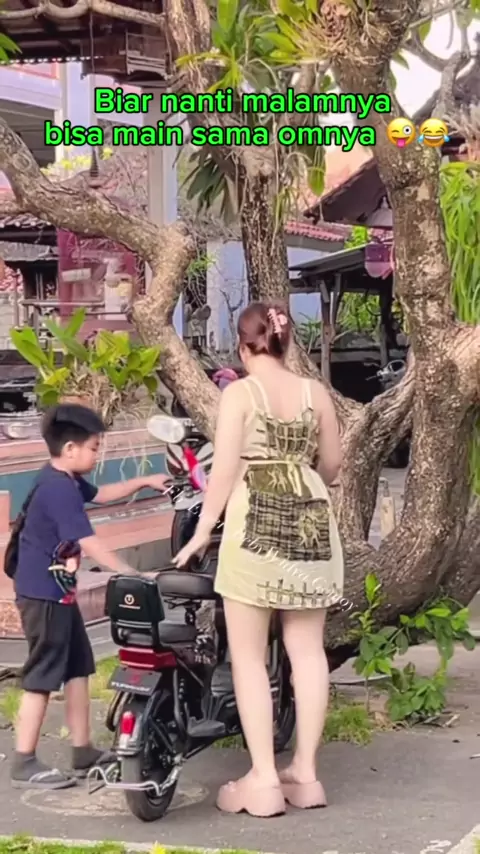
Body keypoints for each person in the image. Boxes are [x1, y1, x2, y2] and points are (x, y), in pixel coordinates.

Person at [173, 301, 344, 818]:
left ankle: (264, 778)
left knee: (247, 656)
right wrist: (302, 472)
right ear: (285, 343)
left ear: (245, 346)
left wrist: (203, 530)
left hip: (256, 527)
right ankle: (306, 773)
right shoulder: (316, 393)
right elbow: (333, 465)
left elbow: (224, 470)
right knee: (307, 650)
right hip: (312, 522)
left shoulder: (240, 394)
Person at [10, 403, 169, 790]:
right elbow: (89, 541)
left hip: (59, 594)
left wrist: (145, 481)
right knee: (42, 675)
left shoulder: (65, 479)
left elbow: (102, 494)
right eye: (94, 448)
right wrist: (133, 574)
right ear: (70, 449)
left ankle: (82, 750)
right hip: (43, 597)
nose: (97, 456)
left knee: (78, 668)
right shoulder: (58, 490)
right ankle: (23, 760)